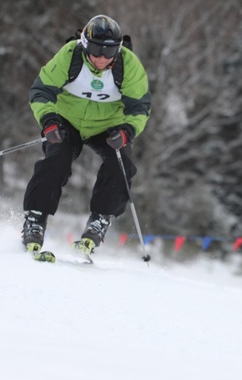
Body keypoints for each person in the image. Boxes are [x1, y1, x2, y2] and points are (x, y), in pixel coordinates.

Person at [21, 14, 151, 258]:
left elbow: (140, 108)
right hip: (67, 120)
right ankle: (35, 219)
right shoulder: (70, 55)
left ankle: (100, 220)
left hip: (108, 126)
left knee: (121, 161)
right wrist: (48, 120)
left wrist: (127, 131)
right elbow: (41, 91)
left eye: (109, 51)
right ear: (84, 43)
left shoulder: (128, 65)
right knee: (57, 157)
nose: (101, 57)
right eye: (94, 49)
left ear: (118, 49)